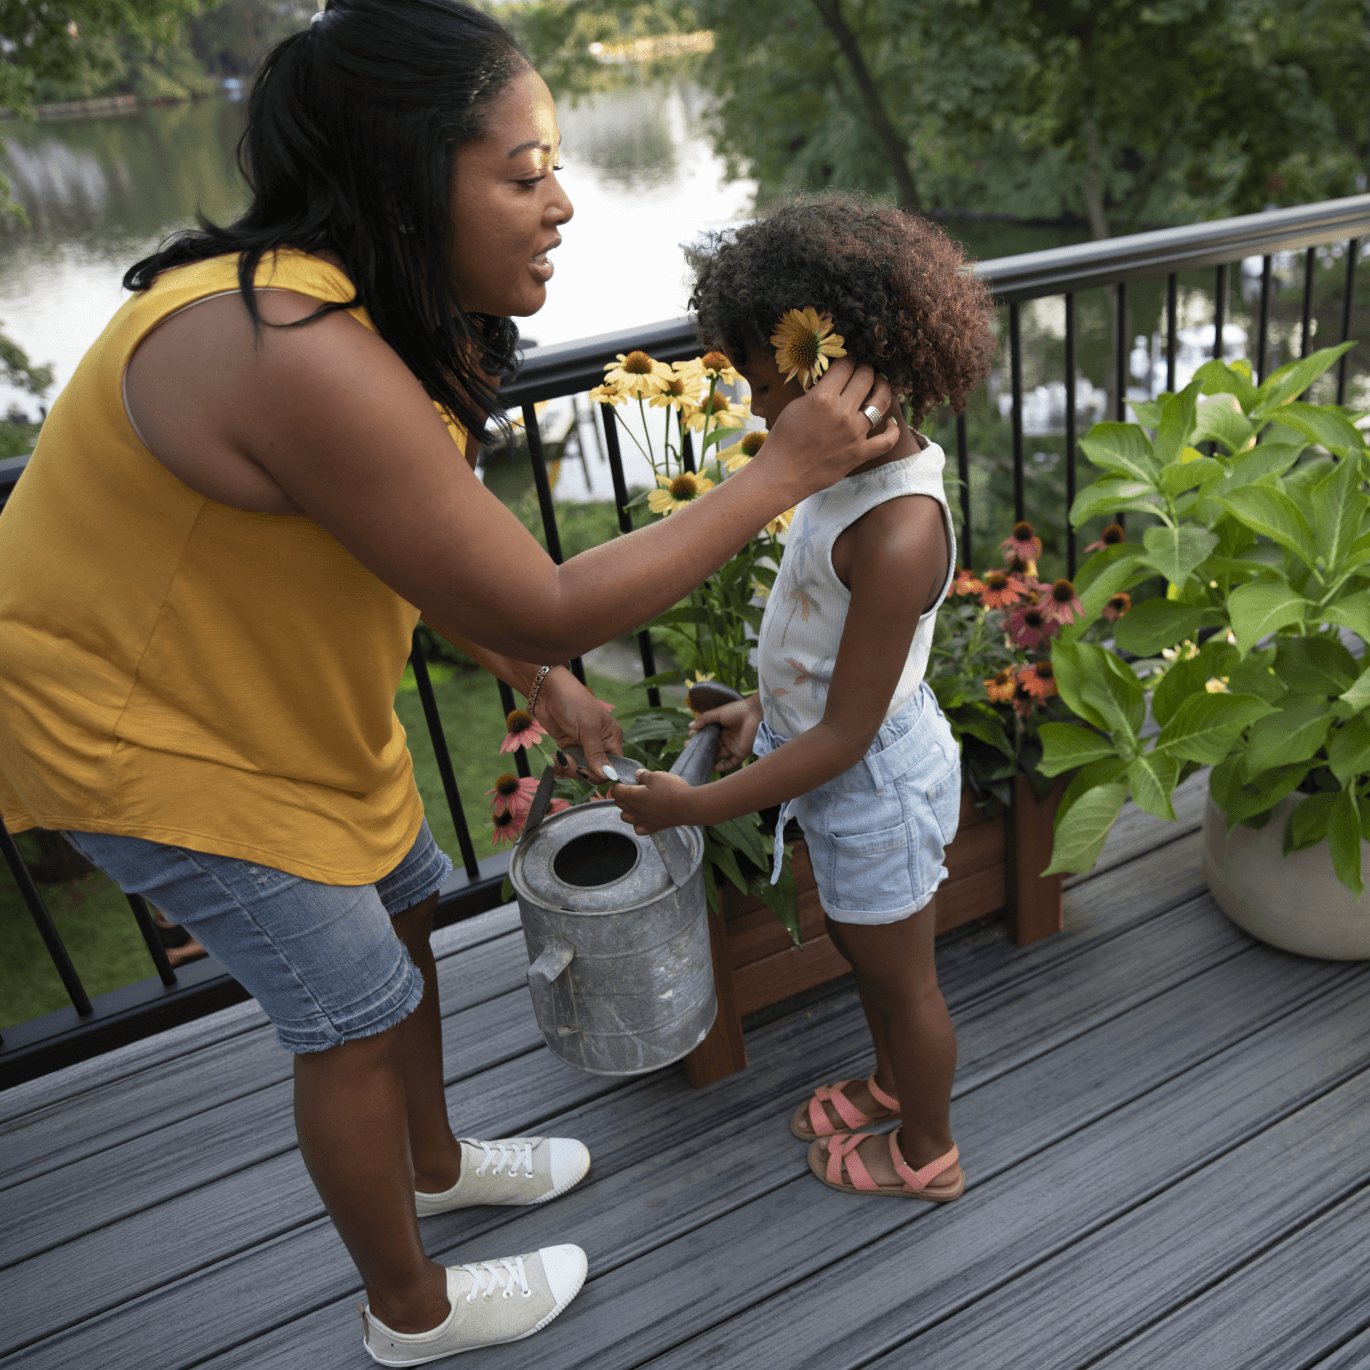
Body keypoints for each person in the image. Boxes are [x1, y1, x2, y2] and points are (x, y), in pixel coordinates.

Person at [0, 5, 899, 1362]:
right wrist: (780, 472)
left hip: (277, 709)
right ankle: (407, 1308)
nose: (562, 201)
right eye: (523, 170)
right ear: (409, 173)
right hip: (154, 745)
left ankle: (430, 1164)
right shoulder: (281, 345)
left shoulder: (352, 319)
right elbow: (525, 588)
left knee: (412, 909)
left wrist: (536, 678)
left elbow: (420, 552)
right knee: (352, 1011)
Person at [612, 193, 996, 1204]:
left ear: (829, 360)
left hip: (869, 780)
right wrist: (753, 707)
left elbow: (845, 732)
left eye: (758, 382)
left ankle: (927, 1148)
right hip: (840, 766)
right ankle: (888, 1081)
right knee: (867, 959)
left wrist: (693, 805)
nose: (749, 412)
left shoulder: (897, 527)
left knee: (898, 974)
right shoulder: (838, 477)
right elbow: (818, 650)